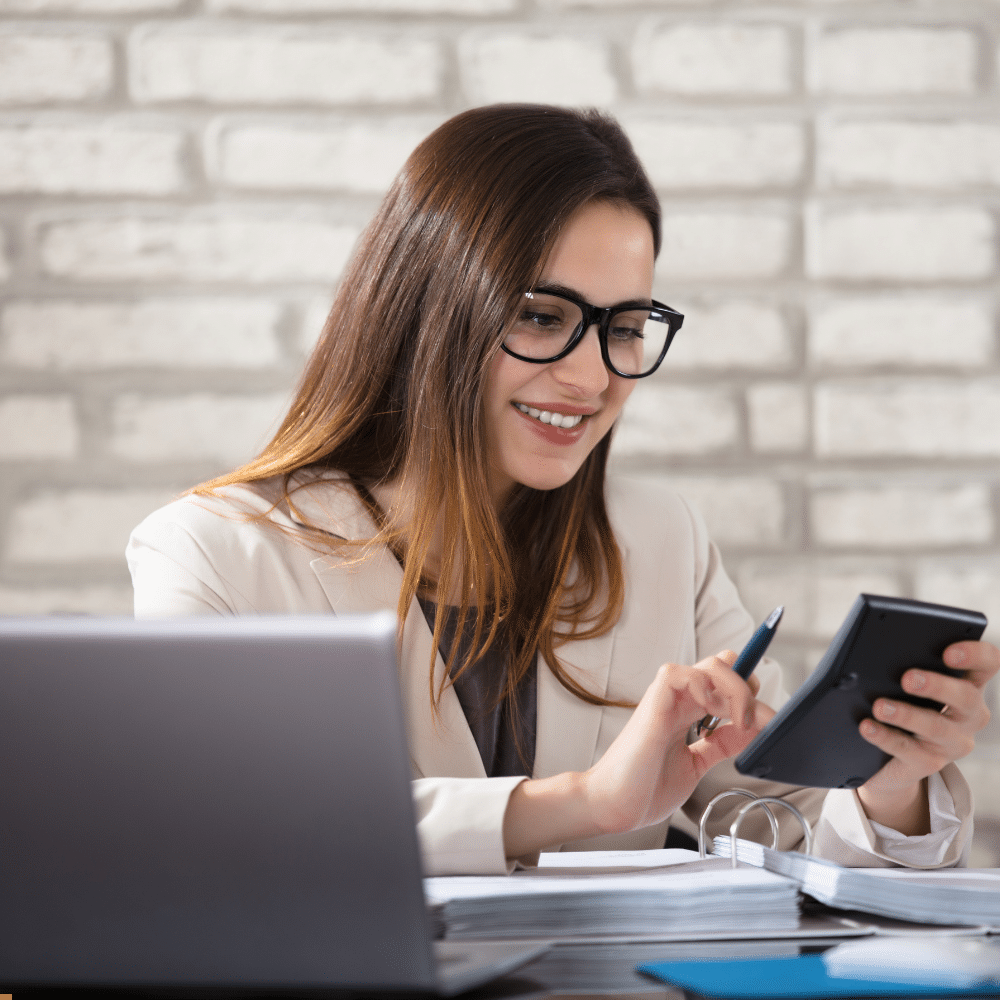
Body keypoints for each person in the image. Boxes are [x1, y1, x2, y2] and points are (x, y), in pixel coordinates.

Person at [128, 104, 998, 877]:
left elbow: (786, 830)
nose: (592, 376)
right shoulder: (213, 555)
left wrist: (888, 783)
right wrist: (583, 802)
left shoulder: (662, 541)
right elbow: (214, 833)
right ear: (430, 309)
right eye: (543, 317)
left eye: (625, 328)